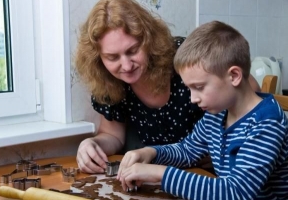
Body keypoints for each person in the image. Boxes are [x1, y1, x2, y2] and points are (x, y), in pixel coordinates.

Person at [75, 0, 261, 174]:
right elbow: (112, 134)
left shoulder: (183, 59)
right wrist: (91, 144)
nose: (126, 65)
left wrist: (227, 150)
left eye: (133, 51)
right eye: (112, 57)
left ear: (147, 40)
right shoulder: (108, 80)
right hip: (165, 174)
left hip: (210, 177)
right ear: (98, 58)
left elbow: (248, 89)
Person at [117, 21, 288, 200]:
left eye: (199, 87)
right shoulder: (217, 114)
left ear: (234, 76)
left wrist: (161, 174)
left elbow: (236, 192)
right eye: (190, 89)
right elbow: (187, 151)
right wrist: (151, 152)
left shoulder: (266, 122)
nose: (193, 98)